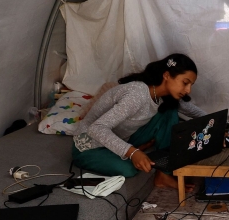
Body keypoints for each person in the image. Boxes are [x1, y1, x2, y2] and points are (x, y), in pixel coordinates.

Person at [70, 55, 198, 189]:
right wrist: (132, 152)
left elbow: (193, 111)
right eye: (185, 83)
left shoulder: (163, 96)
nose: (188, 90)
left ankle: (163, 174)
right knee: (129, 169)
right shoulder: (137, 94)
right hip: (90, 147)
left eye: (191, 85)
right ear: (166, 75)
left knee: (169, 112)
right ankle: (134, 151)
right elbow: (96, 128)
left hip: (122, 137)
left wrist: (213, 123)